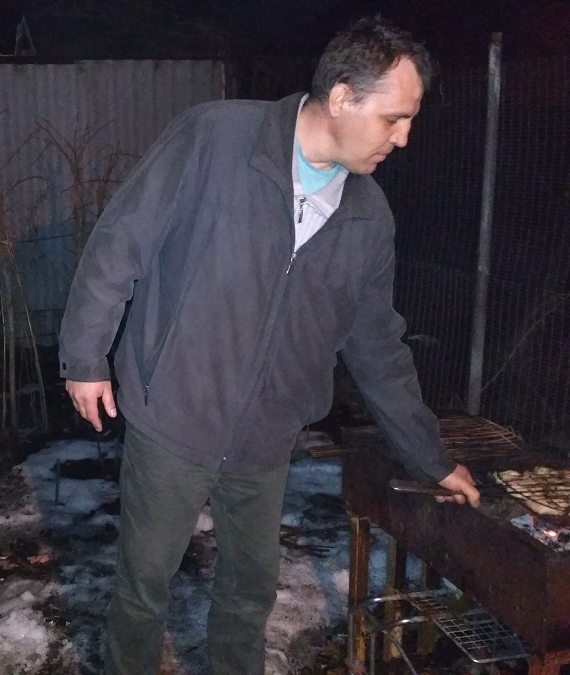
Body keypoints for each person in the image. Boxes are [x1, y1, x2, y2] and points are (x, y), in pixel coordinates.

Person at [59, 16, 481, 675]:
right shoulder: (215, 137)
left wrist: (429, 456)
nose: (403, 139)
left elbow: (379, 346)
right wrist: (86, 355)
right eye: (393, 119)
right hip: (175, 413)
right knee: (144, 590)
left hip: (267, 435)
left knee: (249, 593)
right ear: (342, 97)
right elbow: (122, 240)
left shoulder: (368, 216)